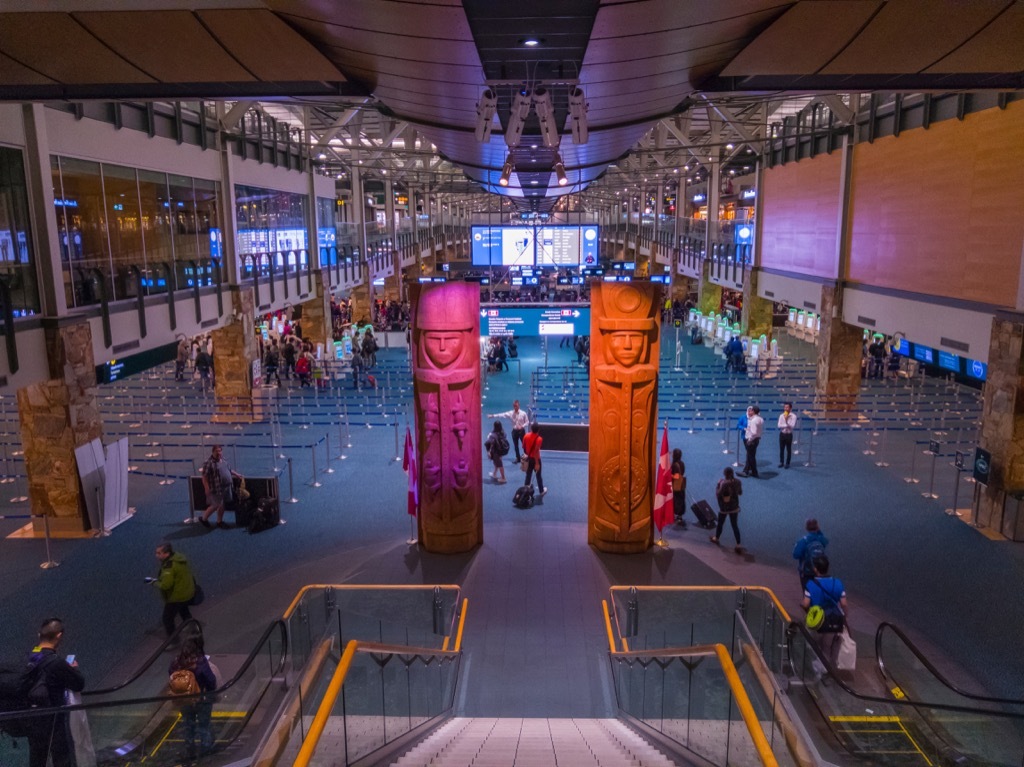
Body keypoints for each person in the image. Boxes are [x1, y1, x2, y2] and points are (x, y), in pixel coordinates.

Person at [24, 618, 85, 767]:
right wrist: (73, 669)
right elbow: (79, 684)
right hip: (54, 718)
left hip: (31, 718)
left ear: (39, 635)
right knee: (62, 757)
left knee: (37, 758)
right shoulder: (56, 662)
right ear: (58, 636)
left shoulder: (30, 658)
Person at [169, 632, 217, 759]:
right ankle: (205, 751)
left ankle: (190, 750)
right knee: (203, 725)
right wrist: (212, 693)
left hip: (184, 700)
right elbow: (211, 680)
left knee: (188, 724)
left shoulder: (176, 662)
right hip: (201, 699)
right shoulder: (200, 662)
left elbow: (171, 676)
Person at [802, 555, 848, 665]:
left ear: (815, 569)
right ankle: (825, 669)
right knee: (827, 647)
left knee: (812, 644)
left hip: (816, 621)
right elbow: (844, 604)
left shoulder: (811, 585)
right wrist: (844, 617)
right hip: (832, 619)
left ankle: (814, 668)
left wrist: (808, 611)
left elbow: (805, 604)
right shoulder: (837, 583)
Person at [149, 543, 196, 637]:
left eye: (159, 553)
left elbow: (166, 585)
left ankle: (173, 641)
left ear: (166, 554)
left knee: (167, 618)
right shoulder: (178, 558)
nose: (156, 555)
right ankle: (190, 624)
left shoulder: (169, 568)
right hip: (187, 590)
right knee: (183, 608)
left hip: (177, 596)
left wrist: (153, 582)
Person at [200, 445, 241, 529]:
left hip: (226, 487)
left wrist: (236, 474)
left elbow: (228, 470)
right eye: (217, 451)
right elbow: (204, 477)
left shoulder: (223, 460)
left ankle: (219, 521)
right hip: (216, 488)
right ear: (213, 452)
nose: (219, 453)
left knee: (222, 505)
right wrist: (206, 488)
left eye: (220, 451)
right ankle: (204, 519)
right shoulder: (209, 463)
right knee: (215, 505)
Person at [711, 466, 743, 553]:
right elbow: (740, 493)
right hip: (734, 507)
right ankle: (738, 544)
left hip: (724, 507)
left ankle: (716, 538)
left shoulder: (724, 483)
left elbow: (718, 494)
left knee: (720, 523)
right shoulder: (738, 481)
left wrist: (718, 485)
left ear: (725, 474)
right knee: (734, 525)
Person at [793, 518, 829, 591]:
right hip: (820, 570)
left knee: (807, 592)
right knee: (819, 592)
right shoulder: (821, 539)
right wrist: (819, 531)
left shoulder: (803, 541)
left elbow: (795, 555)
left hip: (806, 571)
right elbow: (826, 541)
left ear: (806, 528)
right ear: (817, 527)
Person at [522, 422, 546, 497]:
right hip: (536, 459)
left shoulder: (526, 436)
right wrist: (537, 463)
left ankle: (525, 490)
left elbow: (524, 447)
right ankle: (541, 491)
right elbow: (536, 452)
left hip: (529, 458)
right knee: (538, 475)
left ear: (531, 429)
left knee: (528, 474)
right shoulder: (539, 439)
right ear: (538, 430)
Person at [741, 405, 763, 478]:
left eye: (751, 410)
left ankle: (751, 472)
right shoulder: (760, 419)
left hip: (752, 440)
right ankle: (750, 471)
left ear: (753, 411)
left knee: (751, 457)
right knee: (750, 456)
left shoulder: (753, 420)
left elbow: (753, 433)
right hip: (757, 440)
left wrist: (749, 440)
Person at [671, 448, 687, 527]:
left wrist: (668, 475)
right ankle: (680, 516)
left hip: (676, 484)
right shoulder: (682, 463)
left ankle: (675, 514)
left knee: (676, 499)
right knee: (681, 499)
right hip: (681, 484)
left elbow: (676, 476)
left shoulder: (675, 465)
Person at [778, 402, 797, 469]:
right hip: (782, 434)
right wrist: (786, 425)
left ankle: (787, 463)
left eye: (787, 407)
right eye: (785, 407)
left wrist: (786, 421)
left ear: (790, 408)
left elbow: (792, 426)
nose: (785, 409)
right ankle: (781, 462)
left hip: (789, 435)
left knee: (788, 449)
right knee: (781, 449)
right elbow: (779, 425)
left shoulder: (793, 416)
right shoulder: (781, 415)